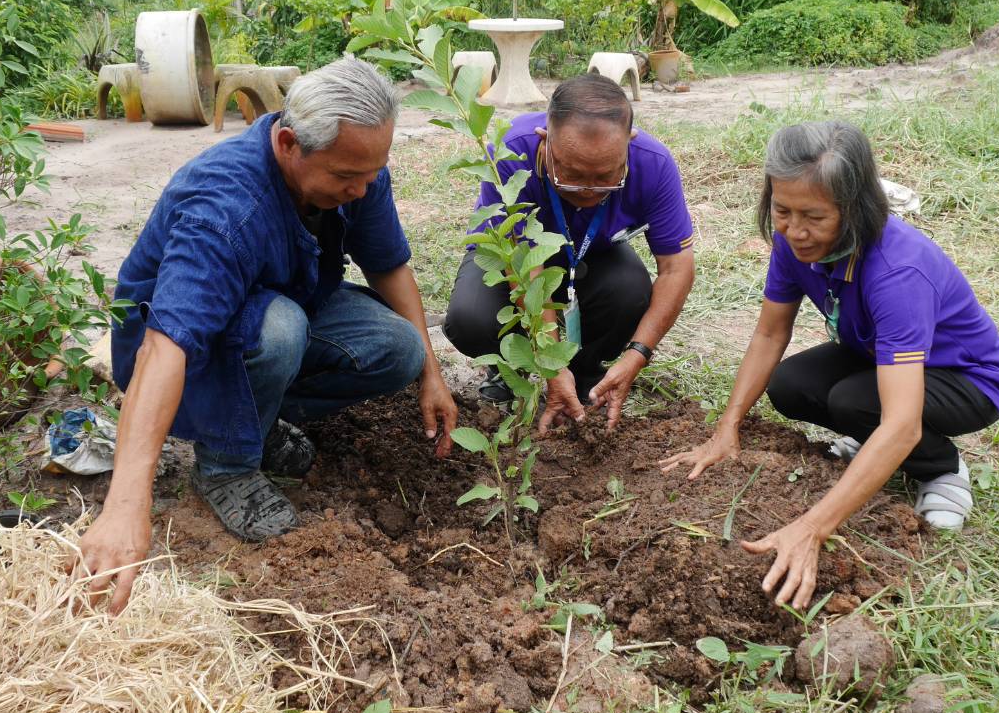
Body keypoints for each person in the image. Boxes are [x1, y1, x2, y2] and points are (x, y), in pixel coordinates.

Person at [76, 56, 458, 612]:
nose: (362, 188)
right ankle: (225, 466)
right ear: (287, 145)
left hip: (287, 305)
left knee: (397, 347)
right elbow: (167, 345)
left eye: (371, 173)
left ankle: (256, 420)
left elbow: (389, 266)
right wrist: (125, 504)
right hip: (191, 352)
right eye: (346, 177)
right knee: (279, 330)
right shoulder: (223, 206)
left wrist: (432, 373)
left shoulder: (358, 168)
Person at [661, 120, 999, 611]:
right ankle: (867, 436)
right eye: (782, 210)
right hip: (878, 356)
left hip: (966, 378)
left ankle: (943, 469)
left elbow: (901, 424)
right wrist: (727, 428)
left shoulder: (898, 271)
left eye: (814, 217)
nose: (795, 230)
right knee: (790, 385)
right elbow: (770, 333)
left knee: (858, 405)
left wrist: (811, 528)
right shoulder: (792, 243)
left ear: (855, 211)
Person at [442, 74, 697, 433]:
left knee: (629, 290)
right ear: (545, 139)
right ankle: (509, 369)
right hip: (514, 259)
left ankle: (584, 375)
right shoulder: (511, 151)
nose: (590, 191)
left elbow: (677, 269)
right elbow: (523, 266)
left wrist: (638, 354)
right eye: (572, 175)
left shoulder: (653, 164)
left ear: (629, 143)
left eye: (606, 176)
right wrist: (549, 363)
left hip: (592, 256)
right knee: (472, 318)